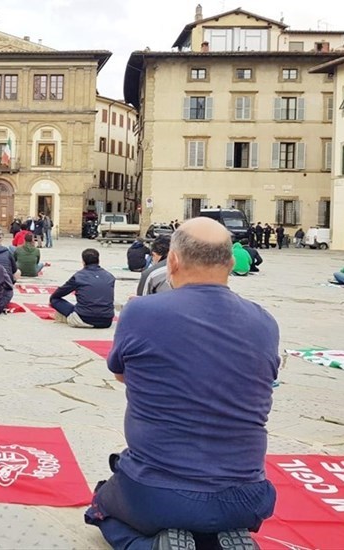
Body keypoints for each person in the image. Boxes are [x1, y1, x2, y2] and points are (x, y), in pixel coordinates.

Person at [85, 217, 279, 550]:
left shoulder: (141, 312)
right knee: (205, 511)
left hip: (158, 492)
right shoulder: (265, 322)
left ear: (172, 261)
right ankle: (218, 540)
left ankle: (156, 546)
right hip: (248, 498)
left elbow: (120, 373)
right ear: (231, 263)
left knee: (102, 506)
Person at [49, 249, 115, 328]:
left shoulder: (79, 276)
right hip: (106, 320)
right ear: (98, 260)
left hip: (84, 318)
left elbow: (60, 293)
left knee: (54, 300)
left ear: (83, 262)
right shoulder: (110, 276)